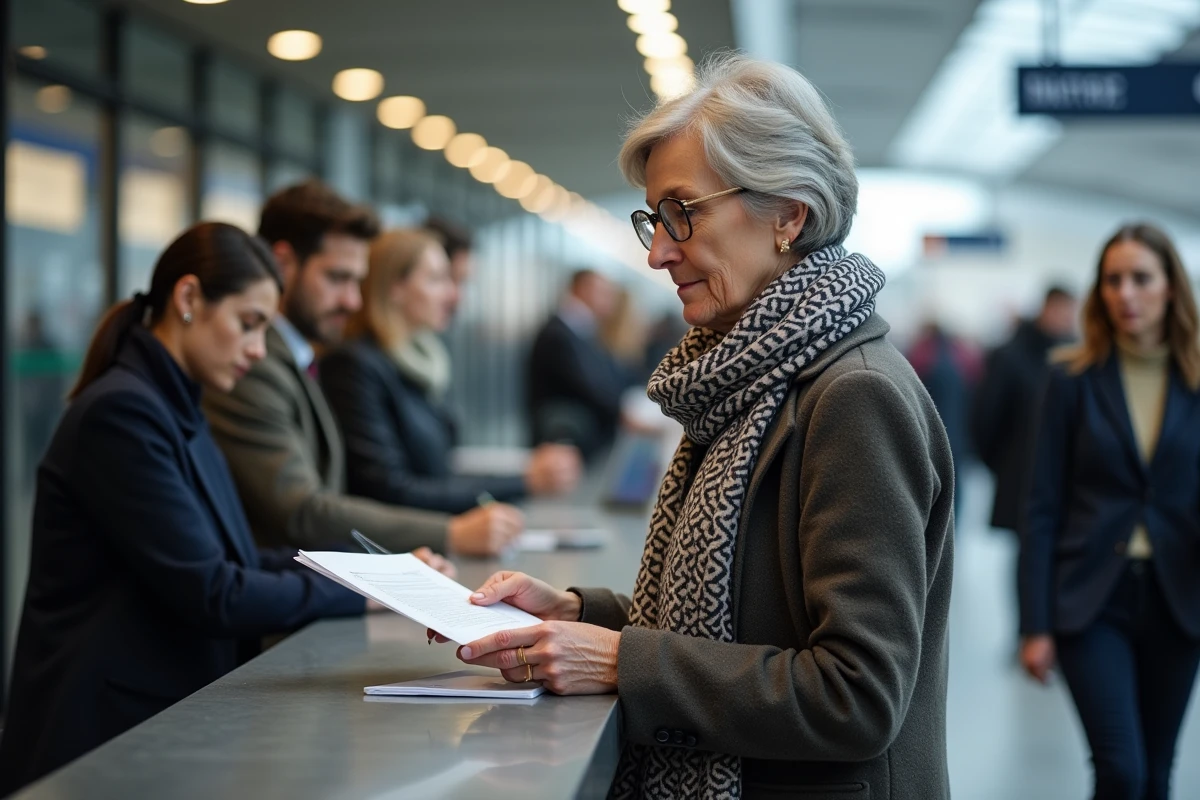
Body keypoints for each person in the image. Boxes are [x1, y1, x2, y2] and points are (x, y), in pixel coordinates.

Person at [439, 54, 955, 799]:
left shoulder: (853, 397)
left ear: (789, 213)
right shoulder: (747, 379)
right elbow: (746, 621)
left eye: (683, 212)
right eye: (654, 218)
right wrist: (580, 615)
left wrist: (621, 662)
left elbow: (858, 696)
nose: (657, 252)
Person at [0, 223, 415, 795]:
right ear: (189, 298)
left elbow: (239, 557)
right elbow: (213, 590)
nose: (255, 349)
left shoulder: (177, 404)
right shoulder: (123, 414)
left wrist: (370, 570)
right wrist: (362, 593)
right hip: (105, 738)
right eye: (248, 325)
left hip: (155, 721)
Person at [202, 182, 523, 557]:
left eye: (357, 281)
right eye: (337, 278)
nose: (353, 301)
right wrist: (450, 532)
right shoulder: (251, 365)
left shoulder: (302, 357)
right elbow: (303, 511)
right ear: (282, 264)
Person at [1019, 223, 1200, 800]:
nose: (1125, 292)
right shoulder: (1070, 379)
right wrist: (1034, 624)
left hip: (1179, 600)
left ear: (1171, 288)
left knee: (1156, 775)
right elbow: (1042, 504)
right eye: (1112, 280)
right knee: (1121, 768)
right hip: (1092, 597)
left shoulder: (1195, 381)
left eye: (1140, 278)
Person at [320, 228, 581, 514]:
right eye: (436, 280)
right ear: (394, 287)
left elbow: (439, 474)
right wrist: (524, 482)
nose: (451, 294)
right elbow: (390, 491)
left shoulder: (420, 363)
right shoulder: (356, 365)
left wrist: (523, 477)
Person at [973, 286, 1077, 532]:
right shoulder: (1011, 356)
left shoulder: (1075, 358)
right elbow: (985, 419)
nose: (1068, 319)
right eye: (1063, 311)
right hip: (1020, 478)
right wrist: (1004, 466)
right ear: (1047, 309)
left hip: (1066, 483)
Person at [527, 269, 635, 460]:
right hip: (564, 450)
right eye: (602, 293)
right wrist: (623, 412)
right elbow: (590, 386)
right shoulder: (559, 334)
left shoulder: (580, 331)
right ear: (582, 290)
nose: (608, 301)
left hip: (577, 446)